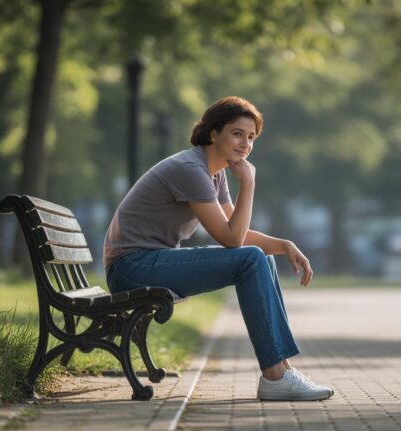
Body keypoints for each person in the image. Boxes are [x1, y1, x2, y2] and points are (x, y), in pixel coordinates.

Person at [103, 96, 333, 401]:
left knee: (260, 257)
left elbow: (234, 230)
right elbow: (232, 239)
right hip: (131, 267)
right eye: (237, 133)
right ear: (214, 133)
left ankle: (281, 371)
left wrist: (283, 245)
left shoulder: (213, 172)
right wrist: (248, 184)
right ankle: (276, 377)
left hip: (147, 262)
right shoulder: (191, 169)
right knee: (251, 258)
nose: (246, 144)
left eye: (251, 137)